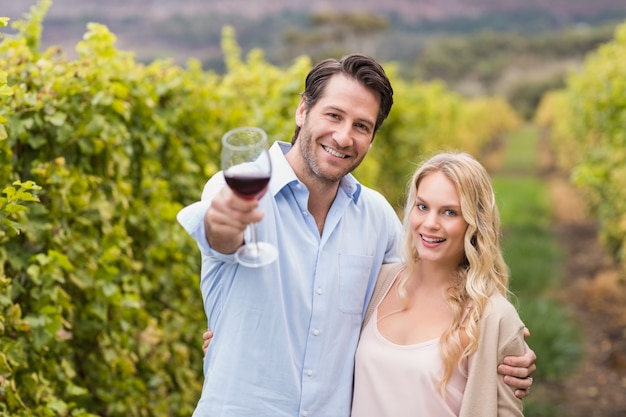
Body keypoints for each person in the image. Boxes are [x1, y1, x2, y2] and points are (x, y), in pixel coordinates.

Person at [178, 53, 535, 417]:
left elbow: (425, 286)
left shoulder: (377, 217)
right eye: (333, 115)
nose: (344, 136)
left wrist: (497, 343)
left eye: (362, 126)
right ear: (303, 111)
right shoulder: (238, 193)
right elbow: (221, 237)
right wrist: (222, 230)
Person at [351, 152, 526, 417]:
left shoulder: (492, 317)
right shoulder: (378, 282)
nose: (430, 224)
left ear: (474, 223)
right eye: (422, 207)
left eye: (449, 212)